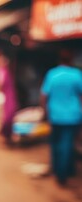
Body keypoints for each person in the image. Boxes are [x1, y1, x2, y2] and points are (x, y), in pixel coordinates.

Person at [40, 49, 82, 186]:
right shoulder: (76, 75)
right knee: (67, 144)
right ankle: (63, 173)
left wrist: (45, 112)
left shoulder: (52, 74)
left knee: (55, 143)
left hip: (55, 115)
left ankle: (58, 170)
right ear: (71, 60)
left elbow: (44, 95)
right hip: (72, 116)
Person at [0, 54, 18, 145]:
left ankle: (8, 136)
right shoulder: (1, 71)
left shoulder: (6, 71)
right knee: (7, 117)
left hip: (9, 96)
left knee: (10, 116)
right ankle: (6, 136)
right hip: (6, 97)